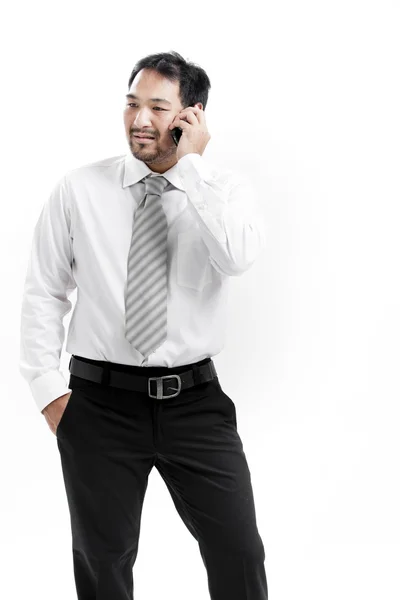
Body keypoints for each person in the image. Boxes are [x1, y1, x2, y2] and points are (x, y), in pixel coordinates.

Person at [19, 50, 268, 599]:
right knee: (102, 562)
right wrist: (48, 393)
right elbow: (44, 290)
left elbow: (236, 257)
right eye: (132, 103)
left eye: (158, 107)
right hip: (98, 404)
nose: (139, 120)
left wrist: (193, 168)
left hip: (195, 405)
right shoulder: (79, 189)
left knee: (239, 550)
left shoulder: (221, 191)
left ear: (191, 116)